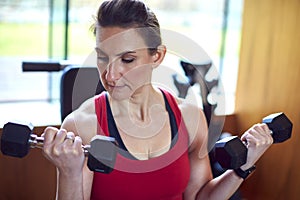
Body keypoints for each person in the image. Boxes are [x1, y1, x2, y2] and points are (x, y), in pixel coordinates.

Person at [42, 0, 273, 199]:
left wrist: (244, 165)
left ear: (158, 56)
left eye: (128, 59)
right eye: (102, 57)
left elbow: (200, 197)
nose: (110, 75)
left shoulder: (189, 117)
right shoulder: (82, 125)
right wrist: (69, 173)